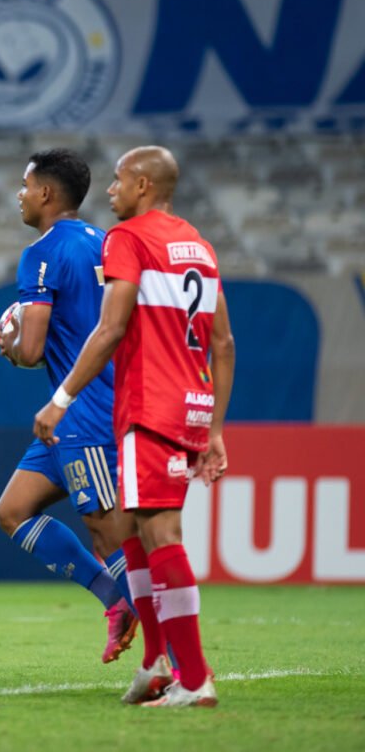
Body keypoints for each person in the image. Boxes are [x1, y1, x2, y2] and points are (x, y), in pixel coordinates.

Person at [33, 145, 234, 708]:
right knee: (134, 532)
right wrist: (214, 429)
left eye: (120, 180)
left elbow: (110, 328)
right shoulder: (197, 244)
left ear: (145, 185)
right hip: (189, 405)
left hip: (151, 405)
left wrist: (61, 398)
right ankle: (155, 663)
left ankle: (193, 678)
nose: (112, 190)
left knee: (161, 535)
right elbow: (223, 342)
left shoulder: (129, 239)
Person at [0, 149, 138, 665]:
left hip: (84, 411)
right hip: (86, 408)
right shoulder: (105, 242)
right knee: (13, 510)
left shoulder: (42, 252)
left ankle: (163, 648)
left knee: (107, 531)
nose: (21, 193)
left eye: (26, 184)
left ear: (47, 194)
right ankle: (116, 602)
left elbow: (30, 351)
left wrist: (9, 344)